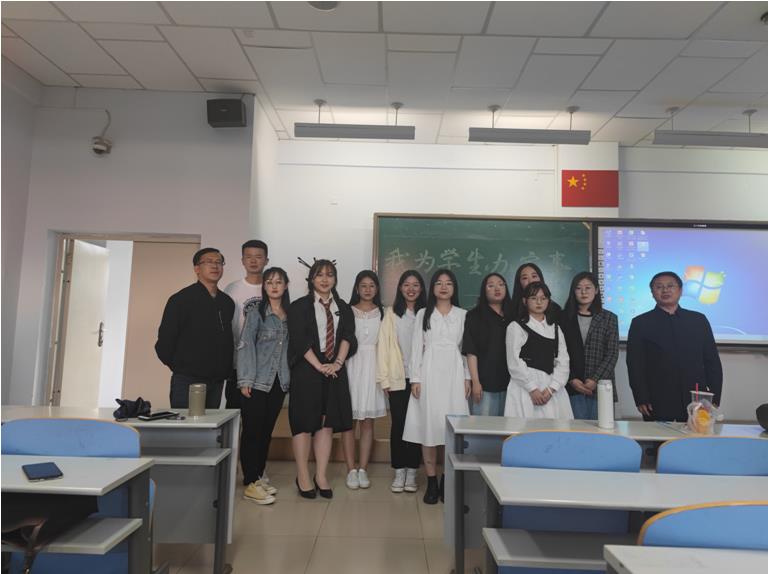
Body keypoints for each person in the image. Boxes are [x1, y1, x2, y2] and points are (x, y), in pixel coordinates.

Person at [287, 259, 357, 500]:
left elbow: (348, 336)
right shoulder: (299, 306)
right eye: (319, 275)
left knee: (327, 422)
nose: (325, 279)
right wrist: (319, 366)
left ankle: (321, 475)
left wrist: (336, 363)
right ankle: (303, 475)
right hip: (307, 370)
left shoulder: (343, 307)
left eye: (329, 275)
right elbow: (299, 339)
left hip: (334, 371)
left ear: (335, 279)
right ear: (311, 279)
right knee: (304, 422)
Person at [403, 269, 470, 504]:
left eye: (448, 283)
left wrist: (467, 377)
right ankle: (431, 481)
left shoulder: (463, 315)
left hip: (454, 376)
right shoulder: (424, 313)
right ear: (432, 288)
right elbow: (415, 348)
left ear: (454, 288)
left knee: (451, 430)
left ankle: (446, 480)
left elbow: (466, 350)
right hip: (429, 375)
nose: (443, 287)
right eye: (439, 283)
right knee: (429, 429)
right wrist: (415, 378)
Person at [627, 271, 723, 422]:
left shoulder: (698, 320)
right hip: (657, 398)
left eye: (670, 286)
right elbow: (635, 365)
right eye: (659, 287)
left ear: (681, 290)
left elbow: (712, 361)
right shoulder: (640, 323)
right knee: (658, 437)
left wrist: (714, 397)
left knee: (696, 435)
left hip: (696, 398)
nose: (665, 290)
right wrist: (641, 397)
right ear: (652, 293)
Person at [236, 267, 290, 505]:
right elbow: (246, 344)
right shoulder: (256, 313)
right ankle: (250, 482)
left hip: (279, 382)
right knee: (252, 431)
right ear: (264, 286)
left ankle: (258, 476)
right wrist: (245, 380)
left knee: (266, 432)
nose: (274, 286)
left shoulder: (290, 314)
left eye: (279, 282)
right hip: (256, 381)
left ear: (286, 286)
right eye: (269, 282)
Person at [155, 247, 234, 409]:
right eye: (209, 262)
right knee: (187, 422)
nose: (215, 266)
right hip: (188, 379)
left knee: (211, 423)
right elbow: (165, 342)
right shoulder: (181, 299)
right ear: (197, 268)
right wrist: (181, 367)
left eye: (219, 262)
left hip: (217, 381)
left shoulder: (226, 302)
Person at [377, 270, 425, 494]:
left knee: (416, 425)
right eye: (406, 284)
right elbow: (383, 347)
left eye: (415, 285)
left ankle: (412, 470)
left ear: (422, 289)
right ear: (400, 288)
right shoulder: (391, 313)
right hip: (397, 378)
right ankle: (399, 470)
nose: (411, 289)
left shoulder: (427, 313)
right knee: (398, 425)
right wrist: (384, 379)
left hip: (420, 380)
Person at [342, 270, 387, 490]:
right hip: (351, 365)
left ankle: (363, 469)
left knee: (368, 422)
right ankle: (351, 469)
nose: (367, 289)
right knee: (348, 423)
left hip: (373, 367)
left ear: (377, 288)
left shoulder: (384, 313)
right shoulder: (347, 311)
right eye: (363, 285)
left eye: (372, 285)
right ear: (356, 288)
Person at [504, 281, 573, 420]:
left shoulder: (555, 328)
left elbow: (563, 361)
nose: (539, 302)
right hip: (524, 388)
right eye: (534, 298)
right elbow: (514, 361)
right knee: (524, 428)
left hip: (551, 388)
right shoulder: (516, 327)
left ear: (548, 301)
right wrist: (532, 388)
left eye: (543, 298)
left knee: (555, 429)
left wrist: (552, 389)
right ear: (525, 301)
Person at [560, 272, 619, 420]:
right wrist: (572, 379)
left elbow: (612, 353)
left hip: (601, 386)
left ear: (596, 290)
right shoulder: (563, 317)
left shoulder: (609, 318)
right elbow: (557, 353)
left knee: (601, 429)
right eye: (578, 288)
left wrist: (594, 379)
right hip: (571, 385)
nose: (583, 292)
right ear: (573, 291)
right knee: (574, 430)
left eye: (588, 287)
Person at [223, 240, 269, 409]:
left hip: (265, 363)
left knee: (259, 415)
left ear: (266, 260)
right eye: (249, 257)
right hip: (237, 362)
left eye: (258, 257)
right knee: (234, 411)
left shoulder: (272, 287)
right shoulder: (232, 288)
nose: (253, 261)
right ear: (242, 260)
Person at [462, 273, 515, 416]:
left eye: (501, 284)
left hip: (512, 384)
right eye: (491, 285)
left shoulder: (514, 315)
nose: (497, 288)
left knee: (509, 426)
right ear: (484, 291)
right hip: (484, 384)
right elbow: (471, 351)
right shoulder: (474, 316)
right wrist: (475, 382)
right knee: (483, 426)